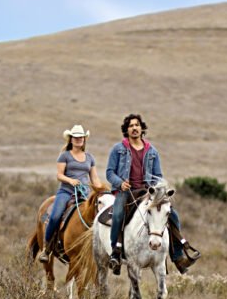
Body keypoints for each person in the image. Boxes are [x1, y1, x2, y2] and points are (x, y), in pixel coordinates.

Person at [105, 113, 200, 275]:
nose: (134, 128)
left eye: (137, 125)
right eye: (131, 126)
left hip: (147, 192)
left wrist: (159, 190)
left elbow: (158, 176)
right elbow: (109, 172)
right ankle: (115, 253)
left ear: (142, 129)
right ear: (126, 130)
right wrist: (120, 183)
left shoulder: (152, 151)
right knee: (118, 213)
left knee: (173, 215)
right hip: (126, 191)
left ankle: (177, 256)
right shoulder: (118, 149)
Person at [39, 124, 102, 263]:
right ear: (71, 139)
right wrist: (71, 181)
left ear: (84, 139)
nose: (79, 139)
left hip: (84, 194)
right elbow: (59, 175)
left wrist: (101, 190)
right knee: (55, 216)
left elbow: (94, 178)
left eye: (81, 137)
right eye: (76, 137)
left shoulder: (90, 157)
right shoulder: (65, 156)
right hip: (66, 192)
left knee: (100, 216)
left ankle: (105, 251)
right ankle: (47, 248)